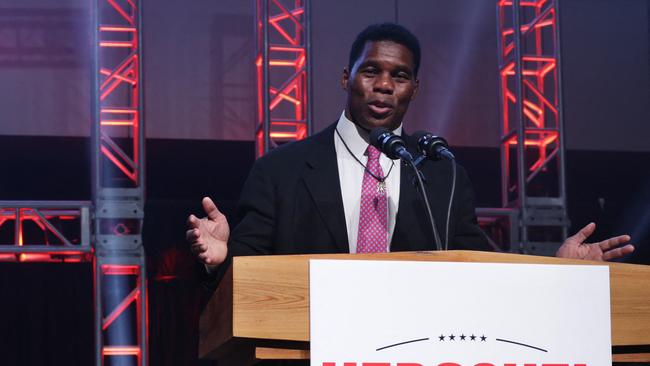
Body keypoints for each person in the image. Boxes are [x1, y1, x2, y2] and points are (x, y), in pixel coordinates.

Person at [186, 23, 634, 283]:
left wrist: (556, 271)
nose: (383, 85)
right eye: (371, 71)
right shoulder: (279, 171)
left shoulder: (439, 174)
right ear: (347, 78)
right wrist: (225, 254)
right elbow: (247, 272)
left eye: (399, 76)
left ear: (414, 88)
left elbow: (479, 266)